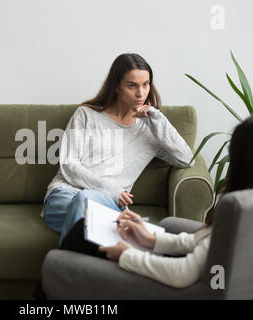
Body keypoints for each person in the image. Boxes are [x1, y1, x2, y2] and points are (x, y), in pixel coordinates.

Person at [60, 115, 253, 291]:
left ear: (239, 161)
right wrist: (152, 239)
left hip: (184, 289)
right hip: (214, 279)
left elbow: (183, 273)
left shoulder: (237, 208)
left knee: (73, 243)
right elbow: (207, 243)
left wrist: (126, 255)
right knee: (87, 231)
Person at [42, 53, 194, 248]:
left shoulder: (152, 130)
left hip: (106, 204)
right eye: (132, 86)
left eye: (146, 84)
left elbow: (187, 159)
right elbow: (69, 165)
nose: (140, 93)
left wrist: (156, 117)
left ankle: (66, 273)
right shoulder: (86, 115)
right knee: (84, 204)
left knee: (86, 215)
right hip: (64, 197)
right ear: (116, 86)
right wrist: (111, 189)